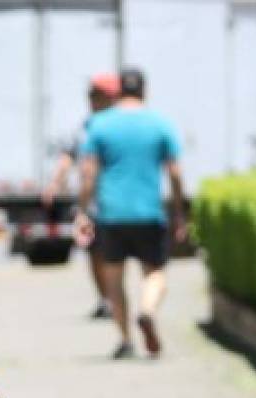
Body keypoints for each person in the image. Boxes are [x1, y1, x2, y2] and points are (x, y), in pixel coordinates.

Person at [74, 67, 185, 359]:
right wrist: (179, 212)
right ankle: (147, 310)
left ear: (120, 91)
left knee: (113, 279)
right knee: (155, 272)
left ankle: (125, 340)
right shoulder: (160, 124)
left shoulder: (99, 124)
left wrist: (83, 212)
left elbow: (88, 173)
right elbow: (174, 173)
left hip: (111, 214)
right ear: (145, 91)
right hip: (149, 213)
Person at [41, 72, 120, 319]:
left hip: (113, 201)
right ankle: (107, 299)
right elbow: (69, 156)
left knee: (113, 256)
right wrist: (54, 183)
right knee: (95, 253)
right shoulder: (87, 127)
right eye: (91, 94)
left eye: (98, 95)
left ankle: (117, 299)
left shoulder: (120, 125)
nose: (92, 100)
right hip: (96, 203)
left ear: (113, 98)